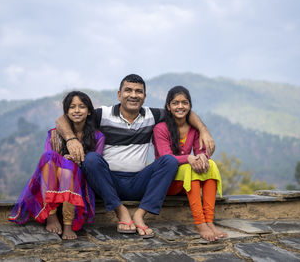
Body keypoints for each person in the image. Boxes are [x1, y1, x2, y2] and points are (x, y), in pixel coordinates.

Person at [56, 74, 215, 238]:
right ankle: (120, 211)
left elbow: (183, 111)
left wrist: (203, 130)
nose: (133, 95)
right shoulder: (103, 114)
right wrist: (71, 139)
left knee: (168, 161)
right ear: (119, 94)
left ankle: (140, 214)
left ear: (144, 97)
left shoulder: (151, 115)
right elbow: (62, 119)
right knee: (91, 159)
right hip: (108, 182)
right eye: (128, 90)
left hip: (139, 181)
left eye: (138, 91)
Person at [9, 91, 105, 240]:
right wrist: (64, 161)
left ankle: (68, 224)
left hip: (81, 181)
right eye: (72, 107)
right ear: (66, 112)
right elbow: (48, 162)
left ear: (89, 111)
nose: (77, 110)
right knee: (50, 159)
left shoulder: (97, 136)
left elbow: (95, 164)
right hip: (54, 180)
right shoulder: (54, 134)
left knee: (68, 170)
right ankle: (51, 215)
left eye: (82, 107)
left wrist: (76, 162)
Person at [152, 85, 227, 241]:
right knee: (189, 168)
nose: (180, 106)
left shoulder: (194, 129)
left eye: (185, 102)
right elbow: (166, 157)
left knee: (210, 165)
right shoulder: (160, 128)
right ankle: (200, 223)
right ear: (168, 106)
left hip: (186, 184)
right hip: (167, 182)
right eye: (175, 103)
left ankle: (209, 221)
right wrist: (189, 158)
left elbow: (201, 150)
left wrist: (203, 157)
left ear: (190, 106)